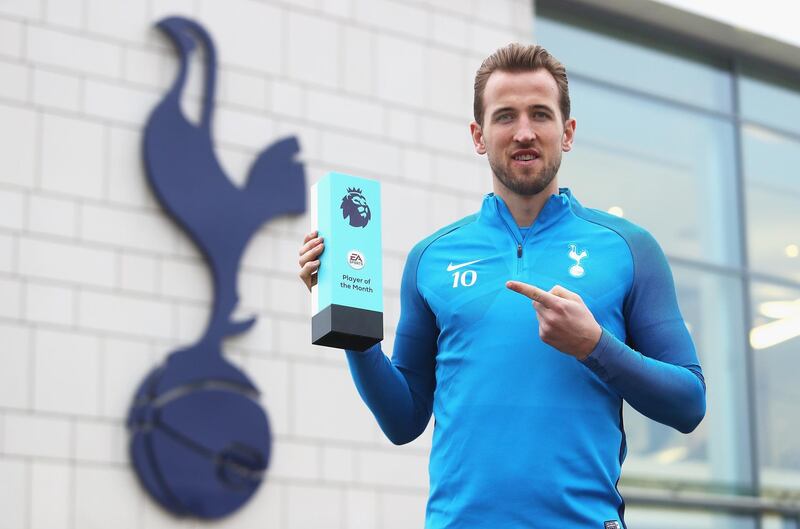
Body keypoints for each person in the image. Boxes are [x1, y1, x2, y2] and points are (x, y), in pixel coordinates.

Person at [298, 43, 705, 529]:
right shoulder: (430, 258)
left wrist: (594, 345)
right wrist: (347, 315)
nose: (525, 132)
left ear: (567, 132)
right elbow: (402, 420)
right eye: (506, 116)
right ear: (478, 135)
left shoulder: (629, 248)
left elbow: (689, 404)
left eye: (540, 114)